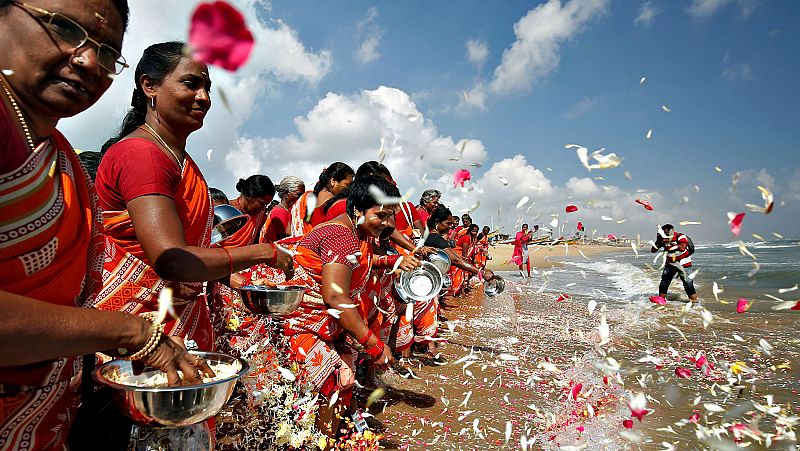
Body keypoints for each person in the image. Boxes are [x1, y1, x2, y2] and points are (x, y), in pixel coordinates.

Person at [0, 3, 216, 449]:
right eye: (62, 27)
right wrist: (132, 331)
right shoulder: (137, 154)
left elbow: (97, 274)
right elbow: (167, 257)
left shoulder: (59, 158)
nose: (86, 60)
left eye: (104, 50)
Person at [277, 175, 420, 441]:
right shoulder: (342, 236)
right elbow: (334, 296)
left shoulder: (355, 232)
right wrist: (374, 344)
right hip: (301, 321)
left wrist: (391, 262)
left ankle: (328, 437)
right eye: (381, 215)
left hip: (327, 322)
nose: (388, 224)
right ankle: (320, 441)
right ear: (357, 209)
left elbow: (358, 263)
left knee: (343, 380)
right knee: (332, 382)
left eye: (392, 216)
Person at [221, 175, 274, 248]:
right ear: (248, 195)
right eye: (261, 203)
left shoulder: (261, 218)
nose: (263, 209)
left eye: (266, 205)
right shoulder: (224, 211)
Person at [651, 224, 698, 302]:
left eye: (666, 233)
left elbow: (682, 248)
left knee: (688, 283)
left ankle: (694, 302)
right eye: (663, 233)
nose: (665, 235)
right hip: (670, 264)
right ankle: (661, 300)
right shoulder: (662, 238)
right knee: (664, 282)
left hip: (684, 264)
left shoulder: (680, 236)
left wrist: (670, 241)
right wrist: (658, 241)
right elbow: (653, 250)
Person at [308, 162, 355, 227]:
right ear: (333, 181)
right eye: (347, 184)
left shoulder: (315, 199)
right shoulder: (340, 205)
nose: (350, 188)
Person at [260, 175, 304, 243]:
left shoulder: (285, 210)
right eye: (299, 194)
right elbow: (285, 241)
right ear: (286, 193)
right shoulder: (280, 212)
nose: (302, 198)